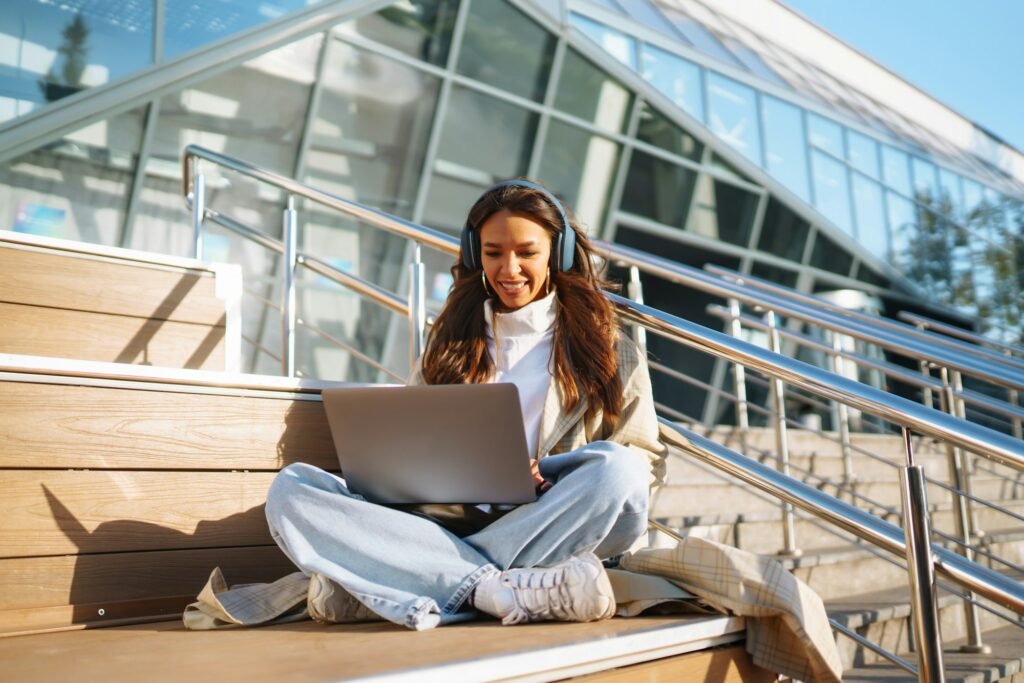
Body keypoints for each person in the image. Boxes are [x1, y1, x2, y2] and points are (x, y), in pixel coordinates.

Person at [264, 179, 667, 631]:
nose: (509, 269)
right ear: (476, 255)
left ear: (559, 253)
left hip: (550, 520)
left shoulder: (609, 349)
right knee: (292, 489)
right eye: (493, 253)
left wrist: (553, 477)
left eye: (527, 253)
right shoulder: (450, 342)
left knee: (618, 471)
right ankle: (492, 590)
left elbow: (642, 459)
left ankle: (420, 580)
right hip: (451, 524)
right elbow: (413, 442)